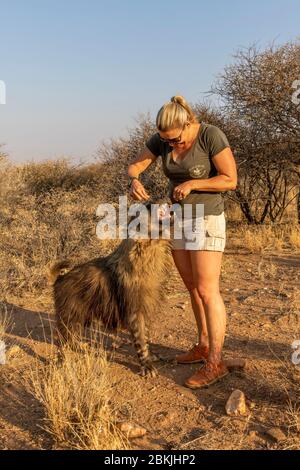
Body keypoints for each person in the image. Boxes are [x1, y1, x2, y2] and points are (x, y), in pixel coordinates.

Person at [127, 95, 237, 389]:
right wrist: (134, 180)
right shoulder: (162, 139)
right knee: (192, 288)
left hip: (206, 218)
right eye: (166, 141)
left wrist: (193, 183)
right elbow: (135, 166)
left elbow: (230, 179)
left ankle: (216, 361)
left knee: (207, 289)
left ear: (188, 124)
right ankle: (202, 345)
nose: (171, 145)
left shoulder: (210, 135)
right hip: (178, 218)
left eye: (175, 139)